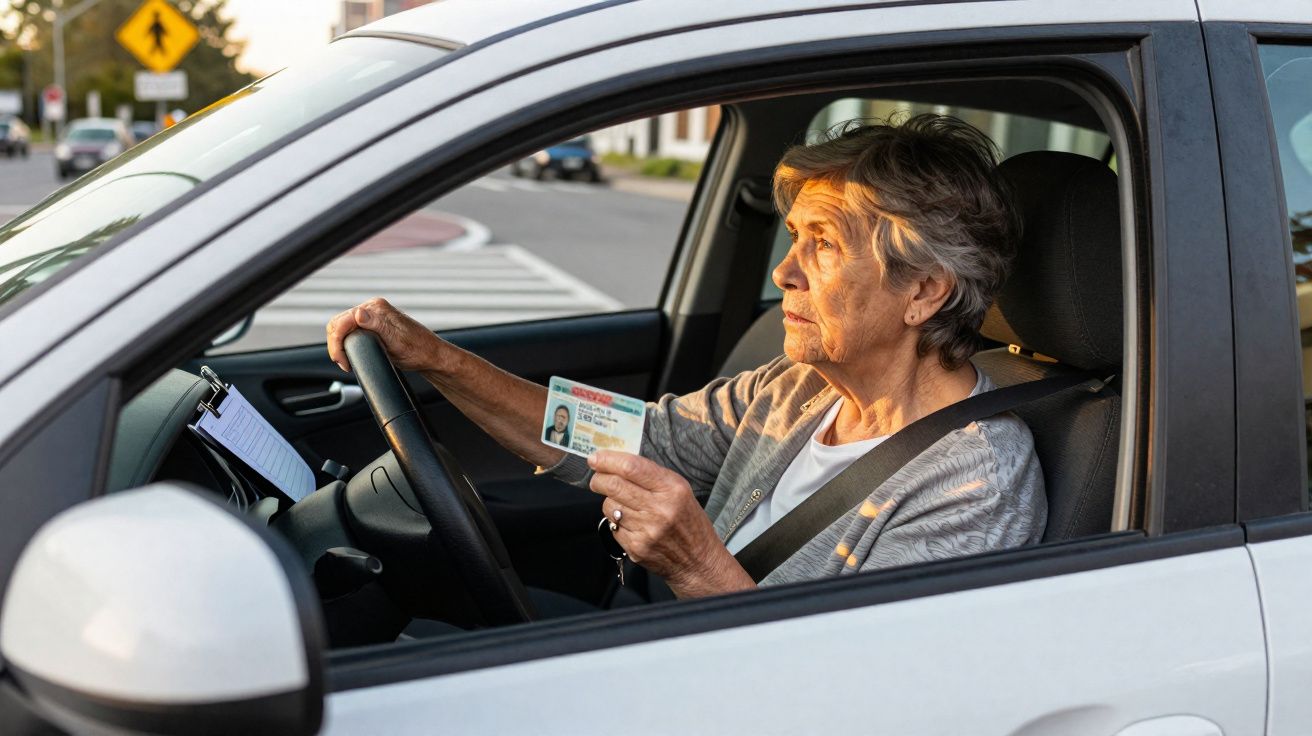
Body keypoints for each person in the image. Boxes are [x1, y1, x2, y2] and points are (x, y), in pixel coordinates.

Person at [327, 114, 1041, 601]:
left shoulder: (973, 484)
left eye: (823, 244)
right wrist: (434, 359)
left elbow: (863, 700)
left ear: (923, 290)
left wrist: (699, 568)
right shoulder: (797, 388)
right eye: (792, 238)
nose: (784, 273)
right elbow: (616, 437)